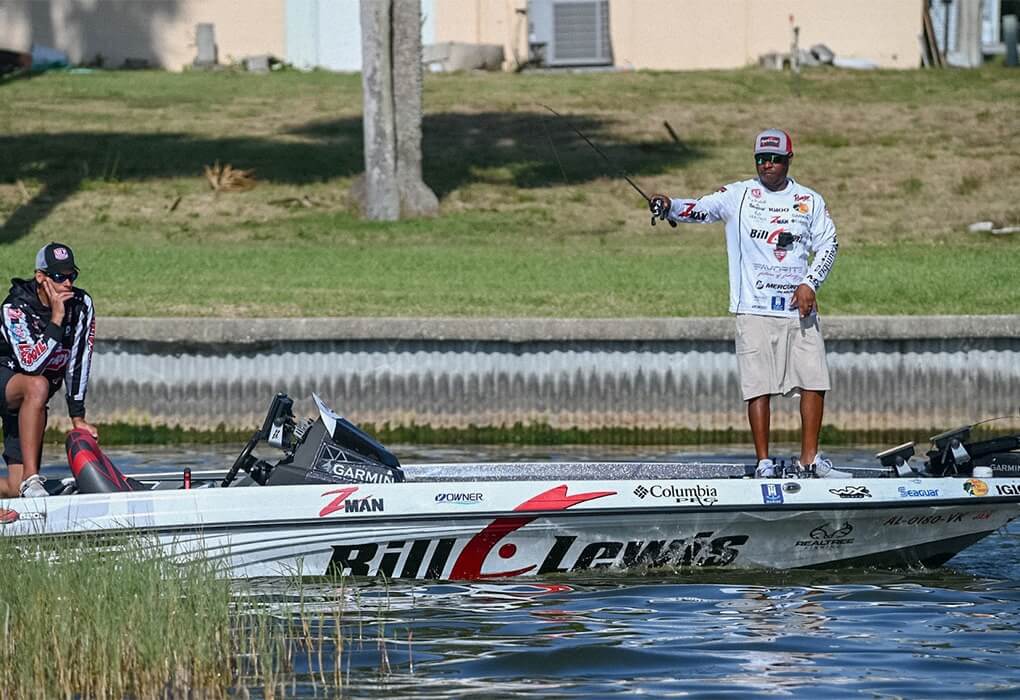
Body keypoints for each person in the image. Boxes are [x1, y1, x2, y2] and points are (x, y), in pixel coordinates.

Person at [649, 129, 848, 478]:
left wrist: (809, 283)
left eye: (774, 159)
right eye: (761, 159)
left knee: (814, 380)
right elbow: (700, 209)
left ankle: (810, 460)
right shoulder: (737, 195)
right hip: (752, 308)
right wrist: (670, 206)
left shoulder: (809, 200)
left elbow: (829, 244)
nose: (767, 165)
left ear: (789, 159)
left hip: (797, 309)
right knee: (758, 387)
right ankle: (764, 463)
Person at [0, 242, 97, 498]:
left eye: (71, 275)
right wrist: (55, 319)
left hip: (26, 403)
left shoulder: (82, 305)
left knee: (13, 487)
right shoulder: (15, 308)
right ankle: (33, 480)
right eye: (58, 276)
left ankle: (25, 483)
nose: (66, 283)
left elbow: (79, 360)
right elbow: (31, 364)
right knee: (38, 383)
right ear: (40, 277)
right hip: (8, 382)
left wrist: (78, 417)